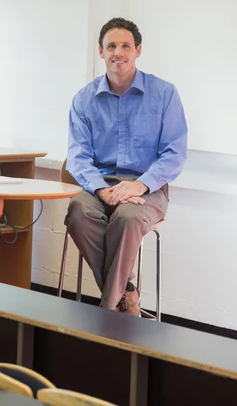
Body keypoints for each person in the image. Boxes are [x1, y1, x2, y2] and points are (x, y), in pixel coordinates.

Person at [65, 17, 188, 316]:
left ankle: (106, 312)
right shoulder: (83, 99)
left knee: (127, 217)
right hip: (99, 186)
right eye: (111, 46)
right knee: (77, 212)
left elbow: (175, 153)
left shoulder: (164, 94)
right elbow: (78, 156)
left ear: (138, 50)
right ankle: (127, 293)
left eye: (125, 46)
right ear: (101, 52)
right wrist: (102, 191)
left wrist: (140, 184)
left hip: (148, 188)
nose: (118, 52)